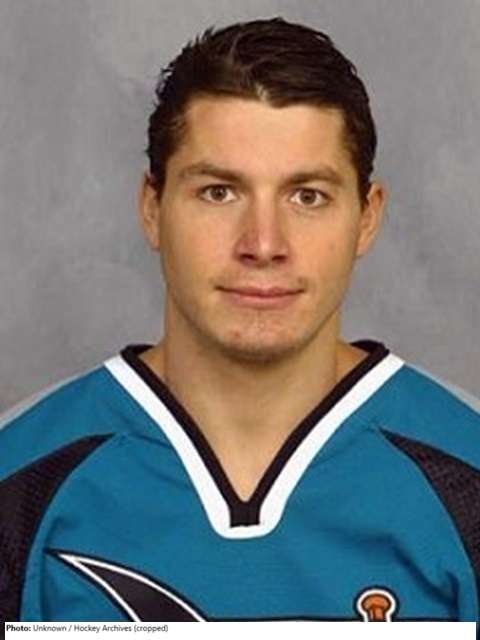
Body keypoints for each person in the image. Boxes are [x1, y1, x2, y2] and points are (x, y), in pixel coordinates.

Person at [0, 17, 479, 626]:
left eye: (307, 196)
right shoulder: (23, 481)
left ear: (366, 218)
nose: (263, 243)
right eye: (219, 192)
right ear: (152, 207)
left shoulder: (464, 480)